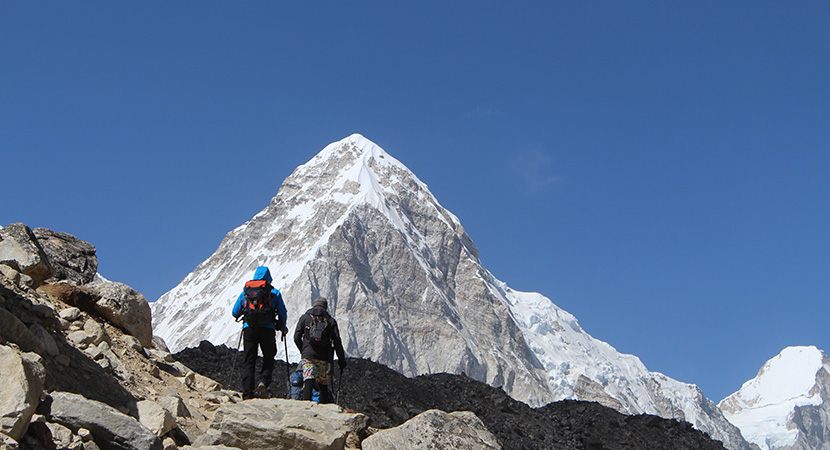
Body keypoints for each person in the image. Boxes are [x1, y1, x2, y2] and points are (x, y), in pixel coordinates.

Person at [231, 266, 288, 400]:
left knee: (249, 360)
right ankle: (263, 381)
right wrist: (283, 327)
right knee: (269, 356)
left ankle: (247, 393)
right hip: (267, 329)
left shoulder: (246, 291)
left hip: (249, 329)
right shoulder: (273, 292)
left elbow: (235, 312)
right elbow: (282, 312)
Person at [293, 296, 346, 403]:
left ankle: (305, 405)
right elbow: (337, 342)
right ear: (325, 307)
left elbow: (296, 337)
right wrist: (341, 360)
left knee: (309, 379)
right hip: (323, 356)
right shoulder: (330, 321)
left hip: (308, 355)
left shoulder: (305, 318)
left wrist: (303, 350)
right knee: (323, 383)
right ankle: (324, 406)